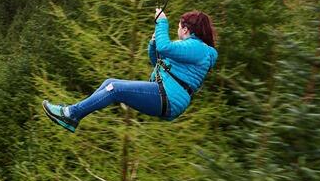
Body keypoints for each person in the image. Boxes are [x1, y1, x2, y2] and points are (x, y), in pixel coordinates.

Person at [42, 9, 218, 132]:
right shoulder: (190, 48)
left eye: (179, 26)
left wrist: (162, 21)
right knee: (109, 83)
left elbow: (165, 47)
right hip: (164, 94)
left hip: (168, 97)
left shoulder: (198, 49)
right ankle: (73, 115)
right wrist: (153, 43)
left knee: (115, 90)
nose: (177, 29)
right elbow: (157, 61)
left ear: (185, 29)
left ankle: (71, 114)